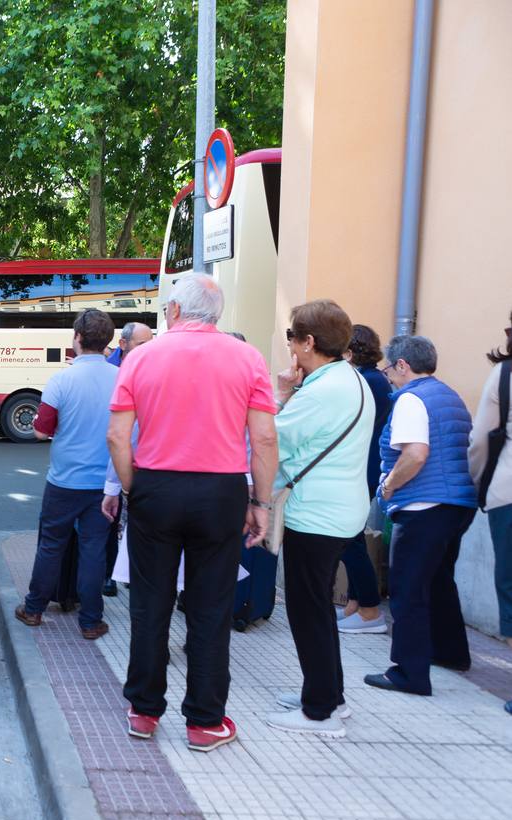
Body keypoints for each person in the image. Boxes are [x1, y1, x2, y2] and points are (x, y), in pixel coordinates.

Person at [108, 274, 278, 753]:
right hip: (221, 491)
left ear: (176, 312)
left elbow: (118, 437)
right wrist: (260, 503)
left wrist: (132, 486)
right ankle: (204, 721)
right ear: (217, 314)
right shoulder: (247, 358)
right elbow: (264, 438)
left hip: (156, 485)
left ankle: (143, 710)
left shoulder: (141, 356)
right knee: (210, 607)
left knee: (150, 602)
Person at [264, 301, 374, 737]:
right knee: (320, 609)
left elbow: (275, 438)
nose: (289, 344)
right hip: (340, 508)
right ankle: (330, 694)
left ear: (309, 342)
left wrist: (280, 394)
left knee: (308, 611)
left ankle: (320, 711)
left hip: (317, 515)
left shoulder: (324, 389)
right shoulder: (348, 379)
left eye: (292, 336)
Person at [365, 335, 478, 696]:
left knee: (408, 589)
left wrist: (388, 487)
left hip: (423, 505)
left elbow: (415, 454)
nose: (388, 377)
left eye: (389, 369)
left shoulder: (411, 399)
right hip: (456, 505)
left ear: (402, 365)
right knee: (439, 580)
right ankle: (450, 653)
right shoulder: (449, 395)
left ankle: (409, 673)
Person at [14, 309, 120, 640]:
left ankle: (34, 609)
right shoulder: (120, 378)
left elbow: (42, 431)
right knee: (94, 550)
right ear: (109, 342)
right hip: (104, 484)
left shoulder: (61, 379)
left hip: (63, 480)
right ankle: (91, 621)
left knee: (51, 546)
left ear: (76, 338)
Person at [335, 324, 393, 633]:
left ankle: (370, 609)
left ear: (351, 349)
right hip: (365, 468)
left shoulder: (367, 381)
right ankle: (356, 605)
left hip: (361, 469)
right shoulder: (375, 379)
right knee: (352, 537)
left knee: (350, 539)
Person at [469, 312, 511, 656]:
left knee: (510, 584)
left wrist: (478, 484)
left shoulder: (505, 374)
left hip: (508, 493)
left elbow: (481, 441)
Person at [102, 321, 154, 594]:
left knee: (126, 524)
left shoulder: (148, 371)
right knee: (111, 525)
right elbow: (120, 435)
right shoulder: (114, 373)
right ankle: (111, 575)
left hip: (130, 467)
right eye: (141, 344)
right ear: (123, 345)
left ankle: (125, 574)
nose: (149, 349)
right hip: (114, 464)